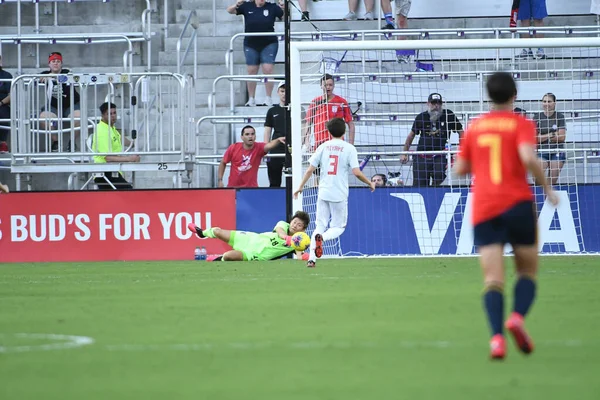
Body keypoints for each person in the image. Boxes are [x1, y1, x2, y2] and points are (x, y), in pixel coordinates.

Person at [454, 71, 559, 360]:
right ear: (515, 95)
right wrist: (547, 188)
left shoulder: (476, 127)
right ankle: (517, 318)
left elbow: (460, 169)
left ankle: (497, 339)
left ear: (489, 95)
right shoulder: (522, 124)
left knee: (492, 280)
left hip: (485, 206)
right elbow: (528, 157)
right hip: (517, 204)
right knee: (526, 271)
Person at [294, 118, 375, 268]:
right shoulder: (349, 148)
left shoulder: (324, 146)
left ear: (328, 132)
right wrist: (369, 182)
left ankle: (312, 259)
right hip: (339, 193)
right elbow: (356, 172)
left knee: (319, 225)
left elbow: (310, 169)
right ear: (344, 131)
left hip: (323, 192)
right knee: (338, 227)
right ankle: (322, 238)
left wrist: (300, 186)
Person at [187, 210, 311, 261]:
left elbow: (300, 255)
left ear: (303, 229)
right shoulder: (283, 224)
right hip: (250, 238)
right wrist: (287, 238)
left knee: (228, 256)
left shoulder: (298, 242)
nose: (295, 225)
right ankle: (202, 233)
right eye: (294, 222)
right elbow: (280, 231)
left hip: (255, 254)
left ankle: (218, 258)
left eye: (299, 225)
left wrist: (308, 257)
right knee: (218, 232)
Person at [227, 0, 284, 107]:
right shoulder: (247, 6)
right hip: (251, 44)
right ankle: (251, 98)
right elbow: (230, 11)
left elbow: (283, 15)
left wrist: (283, 7)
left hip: (269, 43)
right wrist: (237, 4)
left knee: (268, 69)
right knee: (251, 70)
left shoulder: (271, 7)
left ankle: (268, 98)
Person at [401, 93, 464, 186]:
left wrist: (462, 151)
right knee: (419, 184)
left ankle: (433, 193)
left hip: (440, 154)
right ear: (428, 103)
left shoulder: (449, 115)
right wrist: (404, 153)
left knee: (439, 176)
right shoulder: (421, 117)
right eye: (433, 103)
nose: (436, 106)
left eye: (439, 103)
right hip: (422, 155)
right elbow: (411, 136)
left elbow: (461, 132)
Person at [39, 52, 81, 152]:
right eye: (53, 61)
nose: (56, 63)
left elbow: (70, 76)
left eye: (58, 61)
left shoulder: (67, 72)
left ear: (61, 63)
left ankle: (71, 143)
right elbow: (38, 79)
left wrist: (53, 77)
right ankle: (56, 142)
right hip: (53, 106)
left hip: (71, 105)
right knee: (44, 118)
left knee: (78, 117)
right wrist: (46, 77)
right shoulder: (44, 74)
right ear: (49, 64)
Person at [92, 102, 140, 190]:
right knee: (130, 194)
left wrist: (133, 145)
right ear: (103, 115)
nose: (113, 116)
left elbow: (120, 138)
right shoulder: (102, 132)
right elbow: (108, 158)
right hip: (104, 173)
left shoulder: (110, 128)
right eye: (109, 114)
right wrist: (130, 159)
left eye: (114, 113)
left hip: (112, 171)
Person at [219, 125, 286, 188]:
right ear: (242, 137)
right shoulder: (233, 147)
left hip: (251, 189)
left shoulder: (259, 147)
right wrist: (220, 180)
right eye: (247, 134)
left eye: (252, 134)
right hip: (233, 188)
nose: (250, 136)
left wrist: (278, 140)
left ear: (255, 136)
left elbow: (270, 145)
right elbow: (223, 163)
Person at [303, 74, 355, 150]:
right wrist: (307, 142)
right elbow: (308, 123)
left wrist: (351, 145)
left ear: (333, 86)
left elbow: (351, 124)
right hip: (320, 144)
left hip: (337, 144)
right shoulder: (315, 102)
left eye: (330, 85)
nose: (328, 87)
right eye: (325, 85)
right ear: (321, 86)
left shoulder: (341, 102)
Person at [533, 93, 566, 185]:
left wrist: (542, 136)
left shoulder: (560, 116)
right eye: (544, 101)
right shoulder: (537, 117)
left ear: (554, 103)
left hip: (557, 150)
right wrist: (552, 134)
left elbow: (562, 137)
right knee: (536, 179)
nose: (546, 104)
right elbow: (535, 139)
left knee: (552, 180)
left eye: (549, 101)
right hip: (542, 151)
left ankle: (547, 197)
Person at [263, 81, 287, 187]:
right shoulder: (272, 111)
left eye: (286, 91)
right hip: (276, 148)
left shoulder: (297, 109)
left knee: (294, 181)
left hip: (292, 149)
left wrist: (304, 144)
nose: (284, 94)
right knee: (274, 181)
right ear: (278, 92)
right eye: (282, 91)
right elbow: (267, 130)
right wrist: (265, 147)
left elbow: (304, 128)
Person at [0, 55, 12, 153]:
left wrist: (1, 102)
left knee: (3, 113)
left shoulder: (6, 75)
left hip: (2, 103)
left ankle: (3, 143)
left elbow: (11, 95)